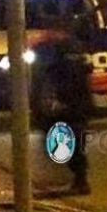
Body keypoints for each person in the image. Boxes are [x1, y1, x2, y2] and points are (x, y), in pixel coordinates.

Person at [33, 36, 94, 197]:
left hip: (71, 111)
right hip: (73, 111)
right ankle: (76, 180)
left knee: (73, 148)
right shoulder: (73, 68)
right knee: (72, 147)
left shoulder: (64, 69)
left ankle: (78, 181)